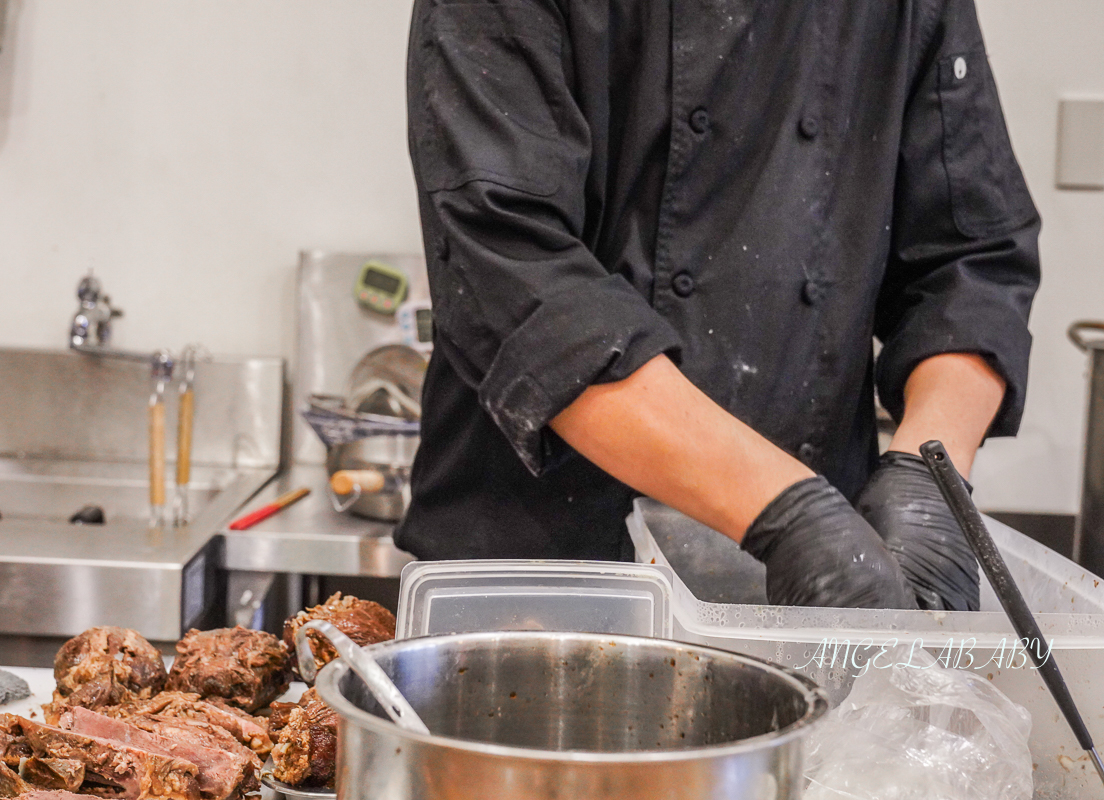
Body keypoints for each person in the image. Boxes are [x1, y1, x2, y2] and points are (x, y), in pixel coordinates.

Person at [394, 0, 1040, 610]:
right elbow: (510, 264)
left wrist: (930, 474)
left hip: (820, 589)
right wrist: (791, 516)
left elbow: (971, 255)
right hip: (544, 576)